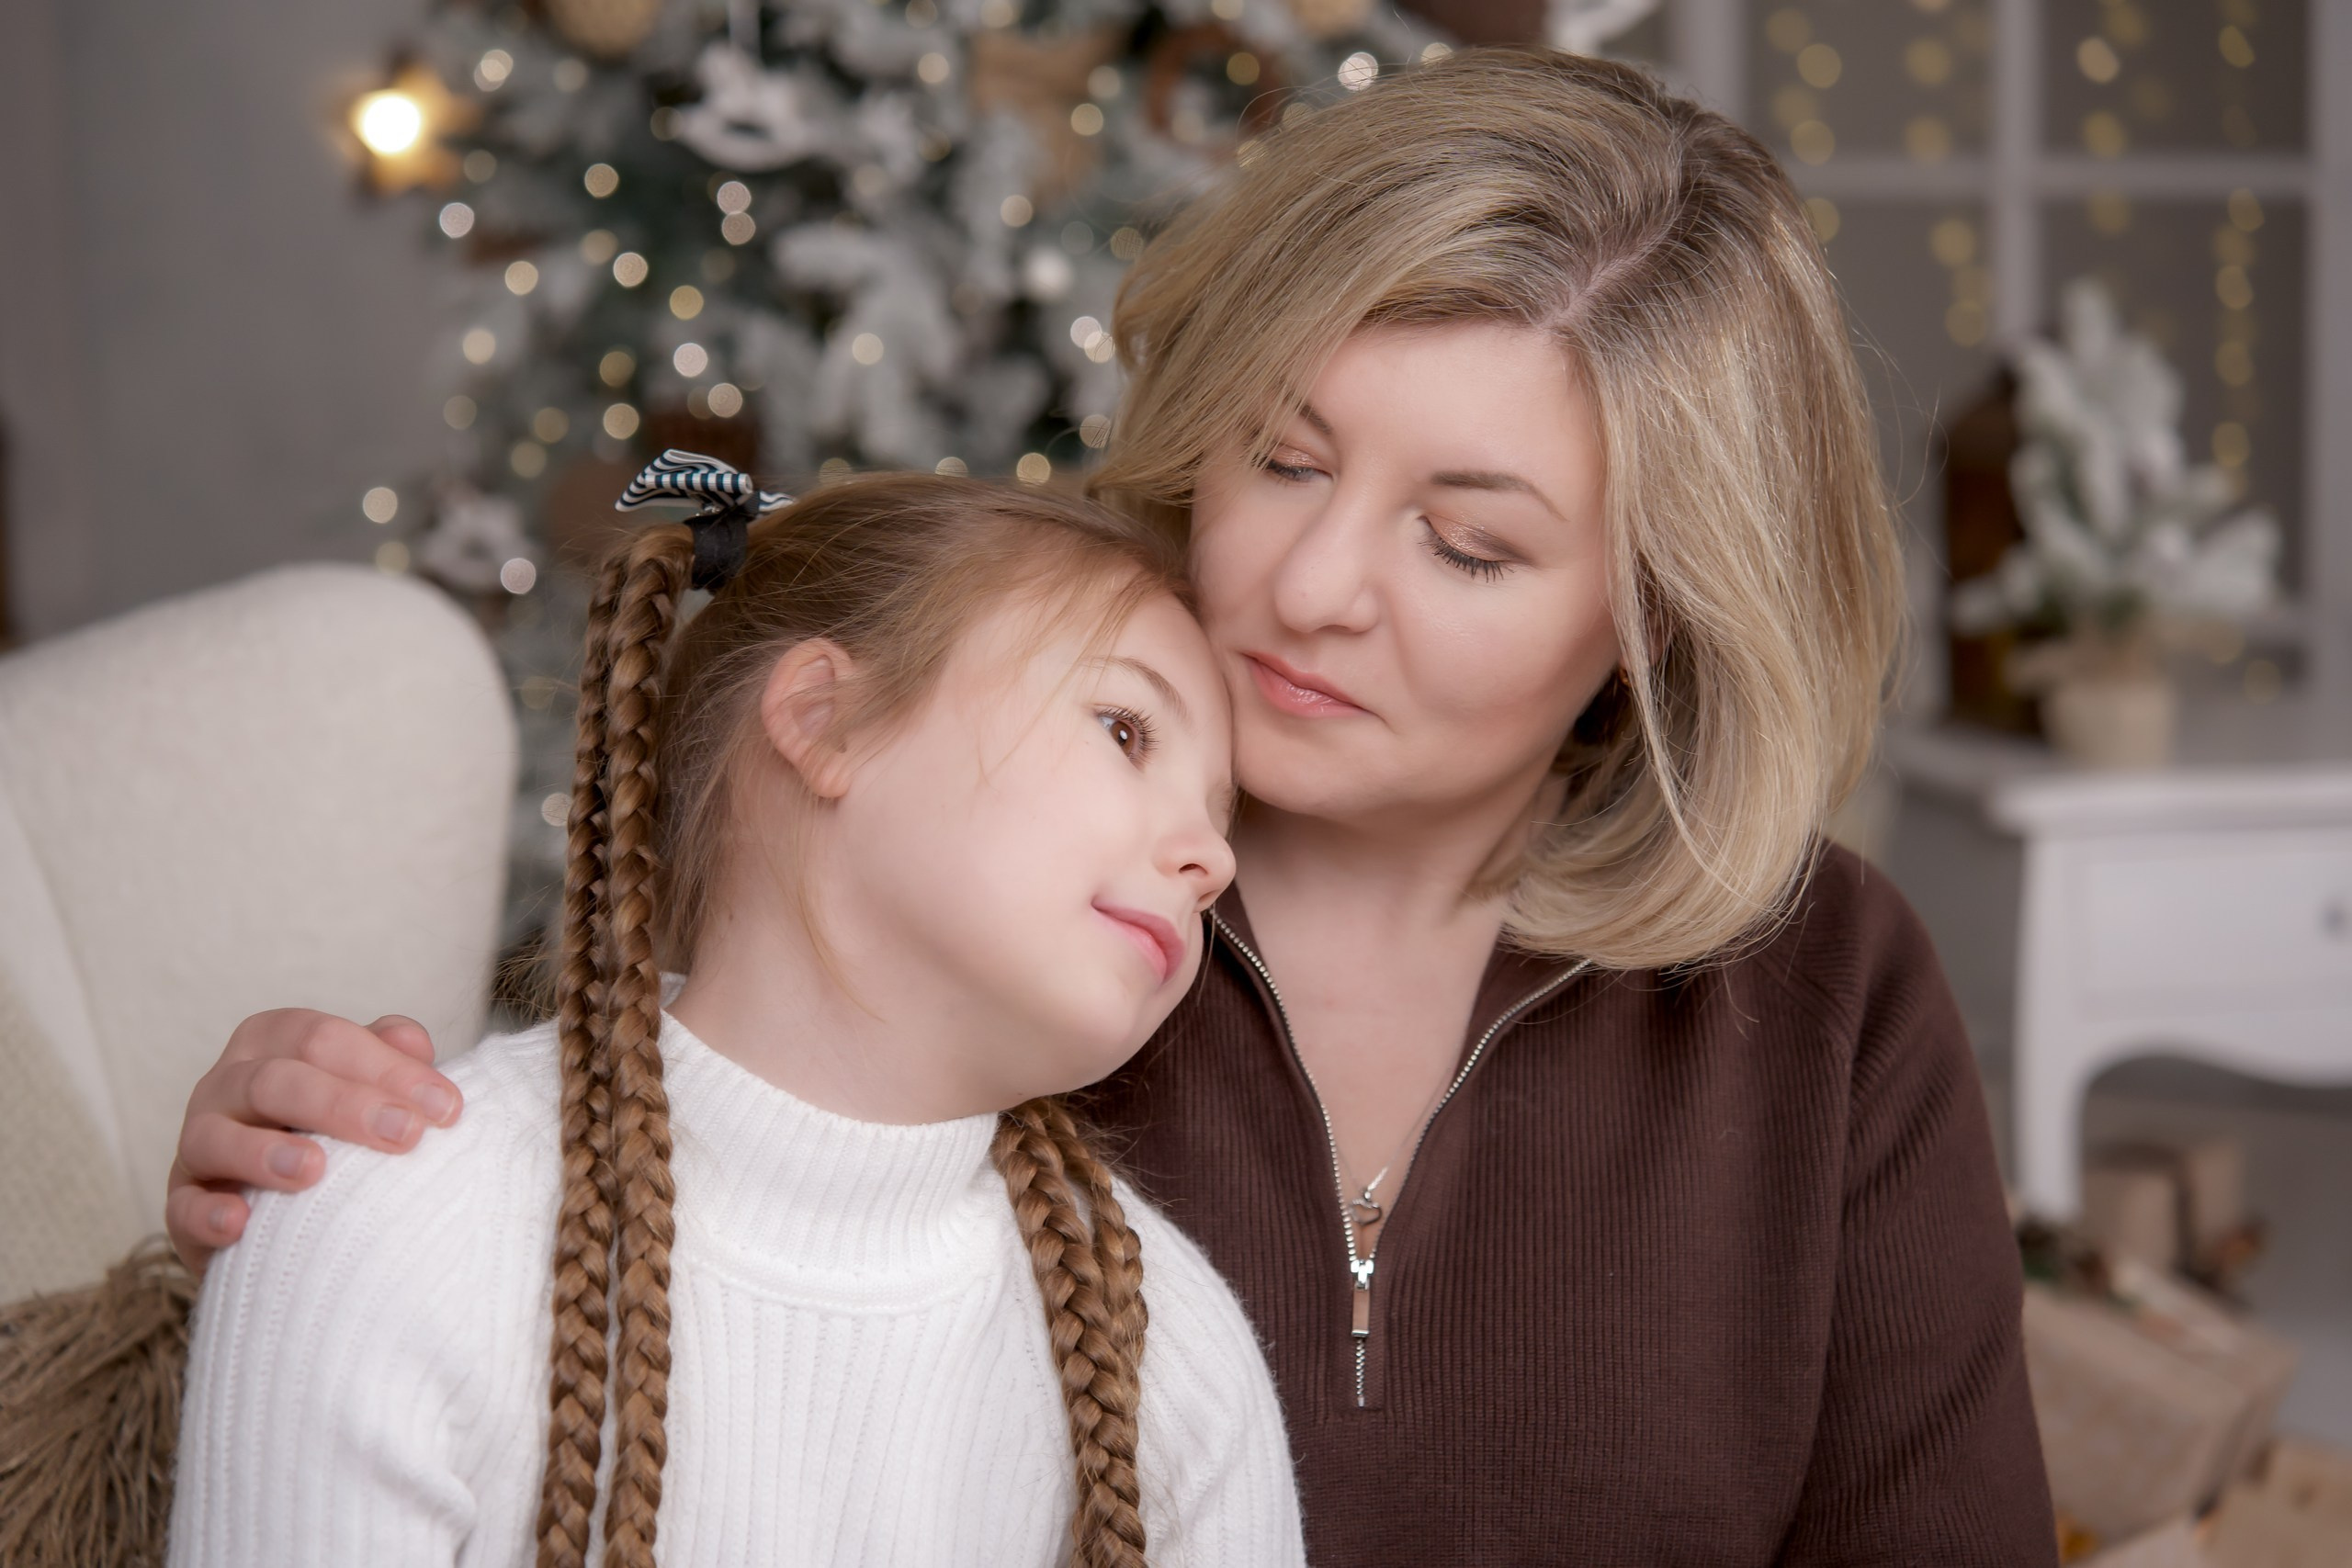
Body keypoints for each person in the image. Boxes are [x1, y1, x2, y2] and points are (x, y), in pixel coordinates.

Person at [164, 48, 2058, 1564]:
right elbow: (606, 1204)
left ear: (1650, 613)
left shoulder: (1811, 992)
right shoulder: (961, 842)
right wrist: (309, 1160)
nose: (1315, 584)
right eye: (1282, 454)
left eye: (1465, 544)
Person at [167, 468, 1306, 1568]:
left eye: (1220, 818)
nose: (1209, 861)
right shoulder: (391, 1225)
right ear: (825, 720)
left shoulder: (1170, 1363)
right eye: (1125, 731)